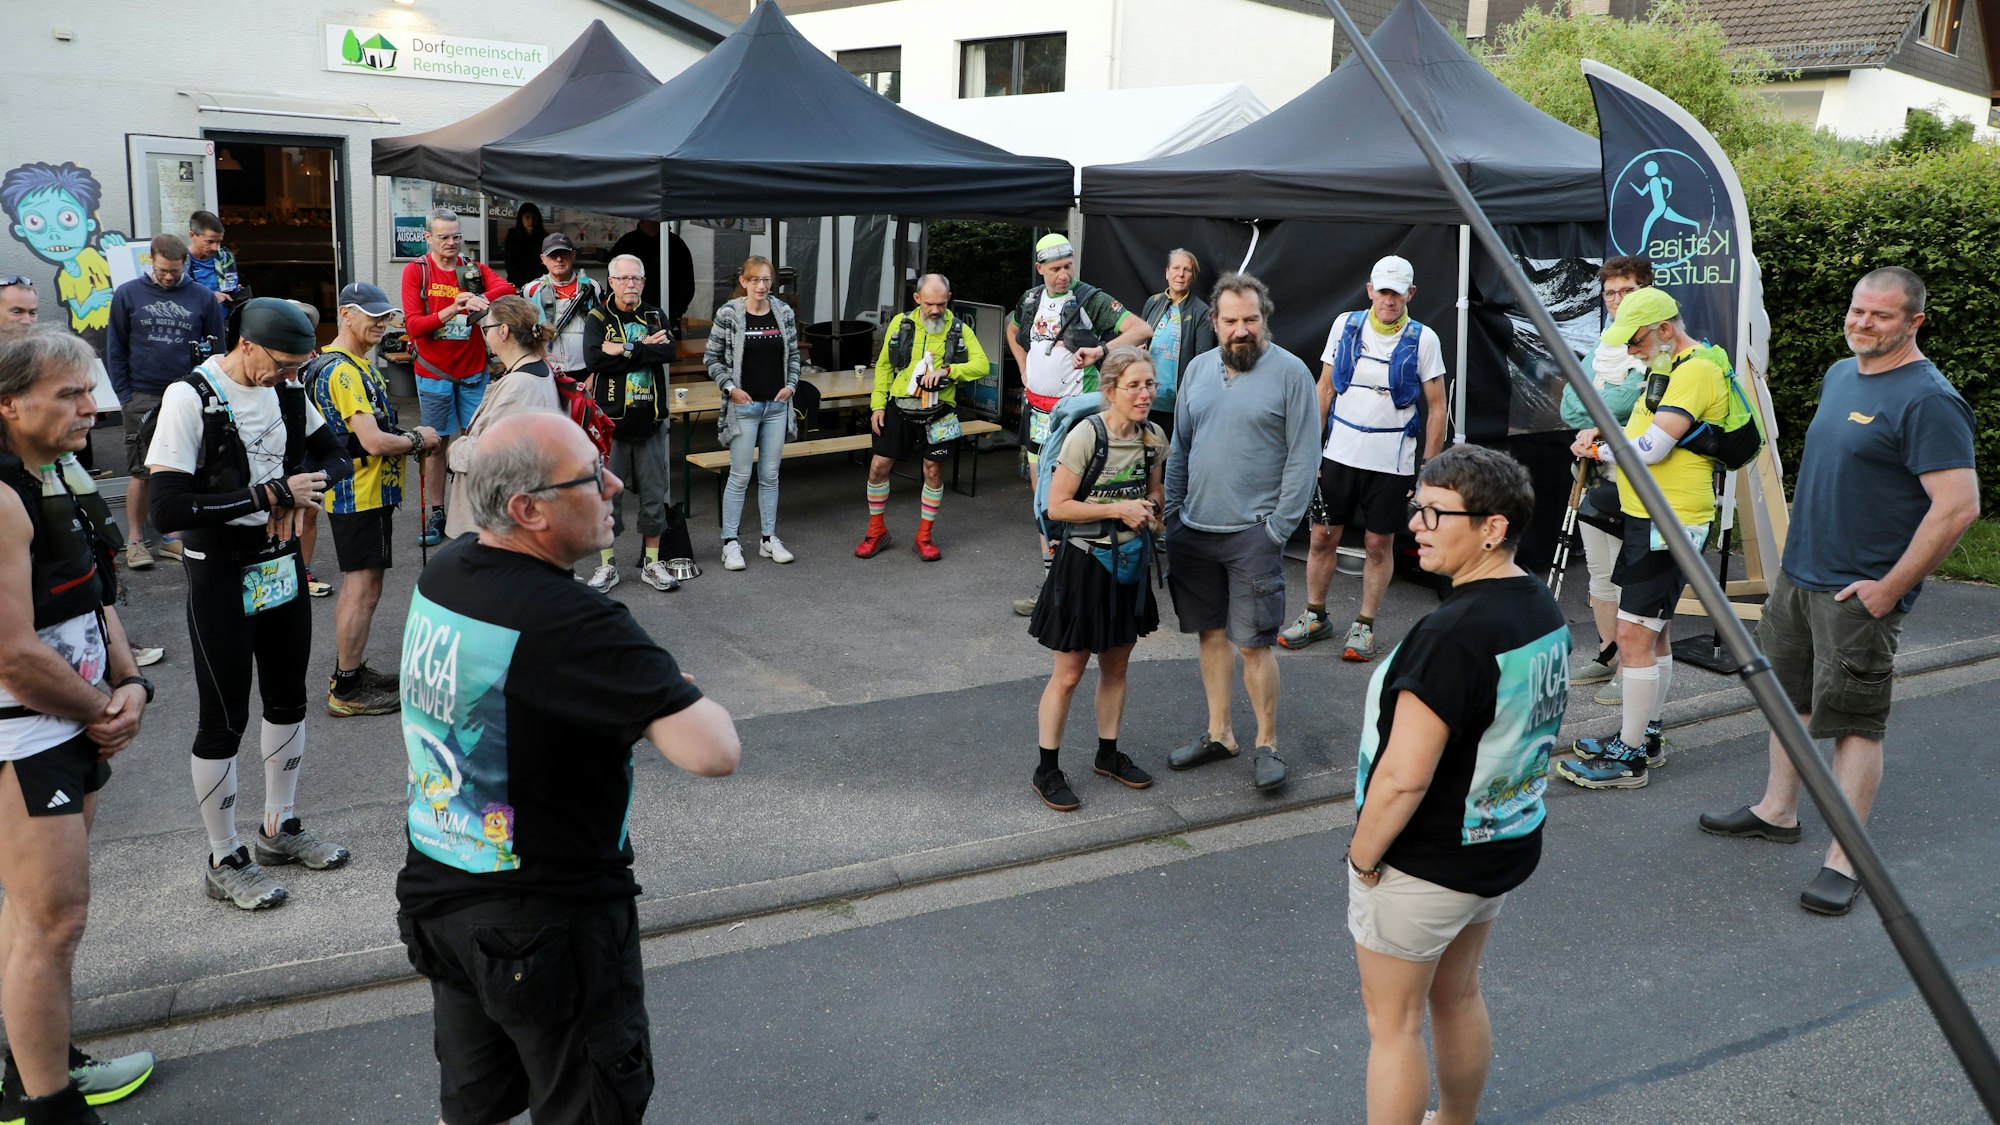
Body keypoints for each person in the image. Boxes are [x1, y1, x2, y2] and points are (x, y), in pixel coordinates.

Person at [395, 412, 739, 1125]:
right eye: (590, 475)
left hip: (441, 895)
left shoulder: (449, 569)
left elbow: (514, 690)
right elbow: (713, 750)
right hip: (548, 924)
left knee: (472, 1105)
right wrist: (659, 680)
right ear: (527, 510)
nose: (614, 482)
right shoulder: (576, 622)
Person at [1699, 267, 1978, 915]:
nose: (1862, 323)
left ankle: (1845, 858)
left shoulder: (1929, 399)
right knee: (1788, 696)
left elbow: (1958, 506)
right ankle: (1778, 809)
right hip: (1800, 575)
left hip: (1860, 592)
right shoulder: (1839, 373)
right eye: (1858, 310)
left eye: (1881, 316)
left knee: (1854, 722)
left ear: (1915, 323)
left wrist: (1890, 588)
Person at [1345, 444, 1567, 1125]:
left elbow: (1404, 777)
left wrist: (1362, 854)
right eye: (1419, 507)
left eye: (1436, 513)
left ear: (1491, 527)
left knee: (1393, 1025)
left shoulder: (1452, 634)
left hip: (1425, 858)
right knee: (1457, 993)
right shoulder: (1539, 605)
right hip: (1497, 846)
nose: (1416, 523)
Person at [146, 298, 355, 910]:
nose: (291, 377)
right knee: (224, 715)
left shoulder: (290, 392)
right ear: (246, 344)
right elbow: (166, 510)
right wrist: (268, 493)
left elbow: (337, 454)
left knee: (288, 695)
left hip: (280, 565)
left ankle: (279, 828)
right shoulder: (192, 397)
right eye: (283, 364)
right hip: (219, 572)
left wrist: (307, 491)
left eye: (299, 367)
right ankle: (223, 855)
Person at [0, 327, 158, 1125]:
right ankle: (49, 1105)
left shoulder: (56, 472)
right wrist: (103, 709)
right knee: (51, 919)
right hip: (26, 734)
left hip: (74, 720)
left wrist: (131, 685)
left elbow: (96, 595)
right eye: (70, 395)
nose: (89, 409)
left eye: (89, 392)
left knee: (37, 919)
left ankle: (34, 1060)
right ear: (8, 403)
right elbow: (12, 653)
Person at [1558, 287, 1730, 790]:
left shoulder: (1694, 370)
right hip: (1650, 515)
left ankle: (1629, 756)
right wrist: (1601, 441)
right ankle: (1644, 734)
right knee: (1652, 632)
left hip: (1669, 520)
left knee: (1634, 635)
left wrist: (1602, 448)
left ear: (1663, 330)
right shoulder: (1667, 365)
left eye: (1633, 340)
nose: (1630, 350)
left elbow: (1652, 448)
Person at [1162, 272, 1319, 792]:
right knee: (1210, 636)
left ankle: (1266, 744)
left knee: (1253, 643)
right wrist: (1174, 514)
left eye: (1251, 319)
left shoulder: (1291, 373)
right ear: (1214, 323)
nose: (1241, 329)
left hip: (1254, 534)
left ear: (1264, 318)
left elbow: (1304, 456)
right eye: (1231, 321)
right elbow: (1181, 446)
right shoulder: (1198, 370)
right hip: (1195, 530)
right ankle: (1220, 734)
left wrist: (1277, 530)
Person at [1279, 255, 1448, 662]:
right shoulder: (1346, 325)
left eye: (1397, 292)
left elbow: (1437, 406)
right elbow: (1324, 389)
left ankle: (1365, 624)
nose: (1389, 300)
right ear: (1371, 290)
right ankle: (1315, 615)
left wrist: (1428, 468)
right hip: (1339, 452)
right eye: (1383, 291)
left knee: (1377, 543)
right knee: (1322, 536)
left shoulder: (1424, 339)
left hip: (1391, 459)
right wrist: (1310, 449)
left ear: (1411, 294)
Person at [1027, 347, 1163, 811]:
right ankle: (1046, 769)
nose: (1145, 394)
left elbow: (1155, 489)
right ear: (1110, 391)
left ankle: (1108, 755)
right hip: (1084, 563)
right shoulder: (1088, 436)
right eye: (1135, 386)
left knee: (1117, 665)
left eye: (1150, 385)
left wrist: (1153, 510)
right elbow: (1057, 506)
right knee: (1067, 675)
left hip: (1130, 563)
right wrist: (1117, 509)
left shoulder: (1153, 438)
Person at [305, 283, 438, 718]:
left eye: (385, 317)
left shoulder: (354, 364)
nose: (381, 324)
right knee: (361, 588)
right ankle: (346, 686)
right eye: (371, 316)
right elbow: (374, 442)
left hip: (364, 491)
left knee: (366, 585)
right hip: (358, 493)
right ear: (345, 314)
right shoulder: (342, 371)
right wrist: (420, 438)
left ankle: (354, 671)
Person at [1006, 233, 1151, 615]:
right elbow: (1010, 329)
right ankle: (1053, 581)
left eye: (1068, 266)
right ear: (1040, 270)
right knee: (1043, 501)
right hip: (1037, 414)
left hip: (1075, 418)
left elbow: (1141, 330)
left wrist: (1102, 351)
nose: (1063, 275)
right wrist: (1024, 369)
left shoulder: (1089, 298)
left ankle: (1078, 586)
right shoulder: (1031, 299)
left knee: (1073, 498)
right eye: (1054, 269)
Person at [1559, 256, 1653, 707]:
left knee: (1631, 576)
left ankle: (1633, 667)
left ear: (1646, 293)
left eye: (1627, 292)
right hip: (1595, 473)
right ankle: (1606, 654)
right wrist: (1600, 416)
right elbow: (1570, 409)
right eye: (1611, 293)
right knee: (1598, 573)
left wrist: (1600, 412)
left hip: (1640, 478)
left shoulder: (1660, 348)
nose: (1617, 301)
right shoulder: (1601, 348)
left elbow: (1631, 405)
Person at [107, 233, 224, 571]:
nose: (169, 276)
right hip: (142, 394)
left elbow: (217, 350)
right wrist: (125, 396)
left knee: (184, 466)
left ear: (184, 263)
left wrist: (208, 390)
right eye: (162, 270)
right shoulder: (128, 294)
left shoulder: (202, 297)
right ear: (150, 261)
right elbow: (115, 347)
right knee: (142, 470)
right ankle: (135, 541)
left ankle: (173, 537)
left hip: (187, 392)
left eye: (174, 270)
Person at [401, 207, 515, 548]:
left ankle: (472, 512)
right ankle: (438, 512)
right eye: (444, 237)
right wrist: (453, 307)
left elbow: (506, 288)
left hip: (472, 372)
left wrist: (480, 297)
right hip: (434, 373)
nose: (451, 243)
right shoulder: (416, 271)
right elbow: (413, 326)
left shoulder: (472, 269)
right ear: (428, 238)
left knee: (475, 445)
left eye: (456, 236)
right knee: (436, 447)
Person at [858, 273, 989, 561]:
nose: (935, 310)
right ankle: (876, 531)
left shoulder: (957, 328)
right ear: (917, 299)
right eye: (930, 303)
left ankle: (924, 536)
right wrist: (878, 406)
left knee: (933, 471)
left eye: (941, 304)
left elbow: (982, 365)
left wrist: (949, 371)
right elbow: (883, 367)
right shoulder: (901, 323)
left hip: (940, 411)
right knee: (878, 467)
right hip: (899, 406)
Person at [586, 255, 680, 591]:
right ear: (610, 282)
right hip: (613, 425)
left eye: (636, 279)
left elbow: (669, 353)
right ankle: (607, 565)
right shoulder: (598, 316)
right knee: (607, 498)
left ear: (644, 281)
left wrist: (623, 349)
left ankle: (652, 565)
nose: (630, 285)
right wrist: (641, 349)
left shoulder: (654, 314)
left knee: (655, 495)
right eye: (624, 278)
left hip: (651, 422)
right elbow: (594, 358)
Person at [706, 256, 800, 571]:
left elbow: (795, 355)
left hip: (776, 407)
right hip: (743, 407)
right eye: (755, 280)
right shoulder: (729, 313)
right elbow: (712, 357)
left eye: (767, 280)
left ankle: (768, 538)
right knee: (740, 476)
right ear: (743, 281)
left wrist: (791, 385)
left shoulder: (783, 312)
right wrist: (730, 387)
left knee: (770, 475)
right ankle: (730, 542)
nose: (761, 286)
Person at [445, 296, 563, 539]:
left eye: (486, 329)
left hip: (501, 519)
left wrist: (454, 450)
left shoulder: (519, 385)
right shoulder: (534, 369)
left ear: (504, 330)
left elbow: (487, 455)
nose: (485, 335)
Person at [1139, 248, 1215, 432]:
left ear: (1193, 276)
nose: (1180, 274)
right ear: (1167, 272)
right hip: (1145, 397)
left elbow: (1202, 361)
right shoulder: (1153, 302)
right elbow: (1140, 339)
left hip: (1177, 403)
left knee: (1168, 456)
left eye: (1187, 270)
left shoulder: (1201, 312)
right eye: (1176, 268)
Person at [519, 232, 603, 376]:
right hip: (546, 368)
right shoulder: (531, 290)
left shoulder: (592, 287)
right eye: (553, 255)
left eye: (564, 253)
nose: (559, 259)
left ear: (573, 255)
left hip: (587, 369)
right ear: (543, 259)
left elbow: (605, 327)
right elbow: (522, 330)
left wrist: (595, 373)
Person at [608, 219, 694, 326]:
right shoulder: (626, 243)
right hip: (629, 317)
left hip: (666, 315)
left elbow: (687, 284)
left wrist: (676, 314)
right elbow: (613, 283)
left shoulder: (675, 244)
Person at [184, 211, 242, 307]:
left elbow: (232, 287)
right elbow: (176, 293)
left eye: (218, 242)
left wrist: (236, 291)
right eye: (209, 241)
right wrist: (210, 296)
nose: (215, 247)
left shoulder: (225, 256)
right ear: (192, 236)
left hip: (227, 318)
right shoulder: (178, 261)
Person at [501, 203, 548, 287]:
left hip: (539, 283)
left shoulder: (544, 237)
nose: (531, 221)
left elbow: (547, 264)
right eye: (527, 217)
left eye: (534, 218)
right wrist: (536, 266)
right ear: (521, 219)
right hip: (517, 282)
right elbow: (511, 266)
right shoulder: (513, 236)